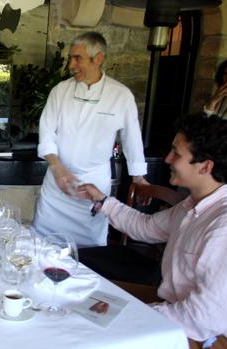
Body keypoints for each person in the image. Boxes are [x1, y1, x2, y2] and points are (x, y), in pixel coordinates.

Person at [80, 114, 227, 348]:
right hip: (174, 310)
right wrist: (103, 201)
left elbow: (208, 316)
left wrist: (137, 316)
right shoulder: (190, 208)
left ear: (205, 166)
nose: (167, 159)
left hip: (211, 337)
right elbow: (144, 228)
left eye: (176, 153)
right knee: (86, 300)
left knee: (101, 330)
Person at [33, 31, 148, 247]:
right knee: (43, 242)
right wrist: (57, 168)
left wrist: (138, 177)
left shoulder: (120, 95)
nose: (71, 65)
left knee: (89, 251)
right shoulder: (60, 91)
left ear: (99, 59)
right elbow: (46, 131)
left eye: (78, 58)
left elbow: (132, 138)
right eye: (70, 58)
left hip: (93, 186)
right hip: (57, 183)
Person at [203, 57, 227, 198]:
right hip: (214, 155)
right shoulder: (222, 96)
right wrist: (214, 100)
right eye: (225, 74)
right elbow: (205, 125)